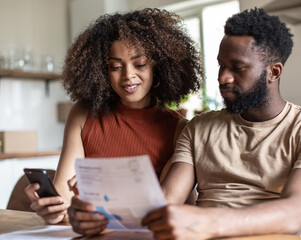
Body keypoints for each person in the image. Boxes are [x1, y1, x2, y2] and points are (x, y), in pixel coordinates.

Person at [69, 8, 301, 239]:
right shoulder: (199, 127)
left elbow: (295, 213)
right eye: (221, 65)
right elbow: (165, 201)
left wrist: (207, 222)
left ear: (273, 72)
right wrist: (100, 216)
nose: (223, 78)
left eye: (237, 67)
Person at [24, 8, 202, 228]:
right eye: (115, 67)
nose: (128, 75)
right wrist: (53, 212)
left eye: (140, 64)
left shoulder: (177, 127)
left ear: (158, 66)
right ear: (102, 71)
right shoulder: (82, 115)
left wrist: (103, 193)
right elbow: (65, 198)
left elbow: (167, 206)